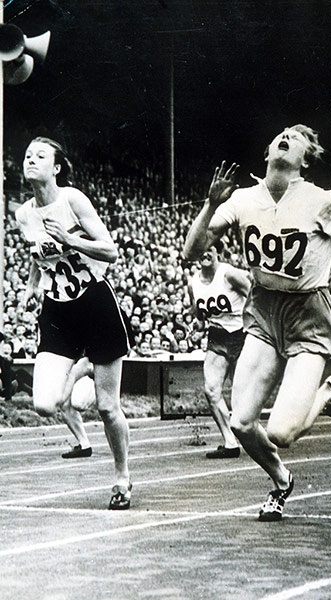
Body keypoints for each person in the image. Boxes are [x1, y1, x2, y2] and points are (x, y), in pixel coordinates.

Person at [184, 124, 331, 521]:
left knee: (281, 432)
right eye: (280, 134)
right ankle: (281, 481)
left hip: (308, 314)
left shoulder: (322, 200)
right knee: (242, 422)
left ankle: (329, 392)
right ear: (267, 152)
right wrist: (210, 205)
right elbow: (192, 251)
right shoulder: (243, 199)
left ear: (306, 159)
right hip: (263, 309)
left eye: (295, 138)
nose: (285, 136)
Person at [15, 137, 132, 510]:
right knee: (46, 404)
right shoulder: (24, 214)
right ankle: (81, 375)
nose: (30, 160)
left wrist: (69, 239)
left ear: (57, 167)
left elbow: (110, 250)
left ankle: (122, 478)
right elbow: (37, 252)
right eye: (28, 155)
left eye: (40, 156)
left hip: (95, 303)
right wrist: (33, 285)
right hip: (57, 308)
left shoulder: (73, 200)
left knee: (108, 407)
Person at [188, 243, 250, 458]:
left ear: (218, 253)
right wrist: (197, 325)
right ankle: (230, 442)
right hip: (217, 337)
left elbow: (256, 298)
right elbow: (199, 313)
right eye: (200, 250)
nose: (204, 254)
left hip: (243, 335)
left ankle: (254, 438)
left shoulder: (230, 275)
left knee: (242, 395)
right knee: (211, 390)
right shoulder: (193, 282)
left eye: (209, 250)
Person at [61, 356, 94, 459]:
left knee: (108, 410)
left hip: (95, 368)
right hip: (74, 368)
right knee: (65, 405)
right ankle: (84, 445)